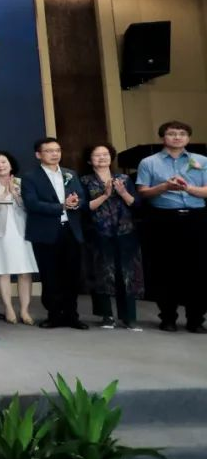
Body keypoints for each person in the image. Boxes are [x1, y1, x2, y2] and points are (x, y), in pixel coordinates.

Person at [135, 120, 207, 333]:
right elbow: (143, 192)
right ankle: (168, 317)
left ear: (188, 138)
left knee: (199, 269)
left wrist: (188, 188)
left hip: (196, 218)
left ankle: (196, 319)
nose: (177, 137)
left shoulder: (201, 160)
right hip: (163, 220)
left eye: (182, 133)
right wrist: (165, 187)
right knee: (165, 269)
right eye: (172, 133)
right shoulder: (149, 162)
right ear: (162, 137)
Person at [22, 137, 87, 330]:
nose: (55, 154)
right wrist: (61, 206)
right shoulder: (30, 177)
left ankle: (72, 315)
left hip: (71, 230)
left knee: (72, 275)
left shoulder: (70, 174)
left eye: (57, 150)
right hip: (45, 232)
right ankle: (54, 315)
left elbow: (82, 197)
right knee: (50, 276)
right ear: (38, 155)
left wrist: (77, 202)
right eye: (49, 151)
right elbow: (32, 203)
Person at [82, 143, 143, 331]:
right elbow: (83, 208)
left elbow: (136, 204)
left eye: (106, 154)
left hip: (125, 231)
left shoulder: (124, 179)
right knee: (102, 273)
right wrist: (105, 195)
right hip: (99, 232)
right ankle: (106, 315)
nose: (102, 158)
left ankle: (129, 318)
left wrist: (123, 192)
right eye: (97, 155)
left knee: (127, 274)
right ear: (89, 160)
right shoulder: (85, 181)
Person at [0, 151, 38, 325]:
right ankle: (8, 308)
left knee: (25, 271)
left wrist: (15, 194)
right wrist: (3, 193)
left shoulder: (22, 183)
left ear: (11, 164)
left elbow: (30, 206)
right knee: (2, 270)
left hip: (22, 231)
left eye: (3, 162)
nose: (0, 166)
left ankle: (25, 310)